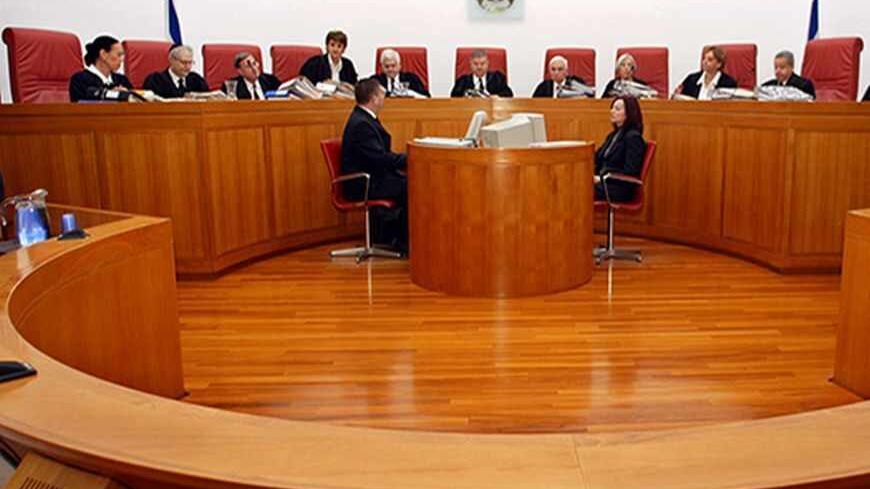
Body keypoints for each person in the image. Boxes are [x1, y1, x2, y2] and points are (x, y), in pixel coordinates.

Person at [341, 78, 408, 251]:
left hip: (373, 176)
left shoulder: (365, 118)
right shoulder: (362, 124)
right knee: (409, 186)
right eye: (382, 95)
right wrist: (407, 159)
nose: (383, 99)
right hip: (362, 183)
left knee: (407, 181)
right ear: (374, 98)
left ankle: (392, 235)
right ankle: (399, 240)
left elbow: (380, 155)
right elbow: (379, 158)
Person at [594, 96, 646, 203]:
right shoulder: (612, 136)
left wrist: (603, 178)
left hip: (619, 188)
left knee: (579, 189)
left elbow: (630, 172)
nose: (612, 111)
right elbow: (598, 158)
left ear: (629, 113)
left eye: (617, 109)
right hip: (604, 183)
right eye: (612, 108)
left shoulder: (633, 138)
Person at [69, 35, 133, 102]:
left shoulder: (121, 80)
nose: (121, 60)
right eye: (119, 55)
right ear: (103, 54)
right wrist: (112, 95)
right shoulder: (80, 80)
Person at [143, 44, 209, 99]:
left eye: (190, 62)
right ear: (171, 60)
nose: (188, 67)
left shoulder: (197, 80)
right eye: (184, 62)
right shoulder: (155, 81)